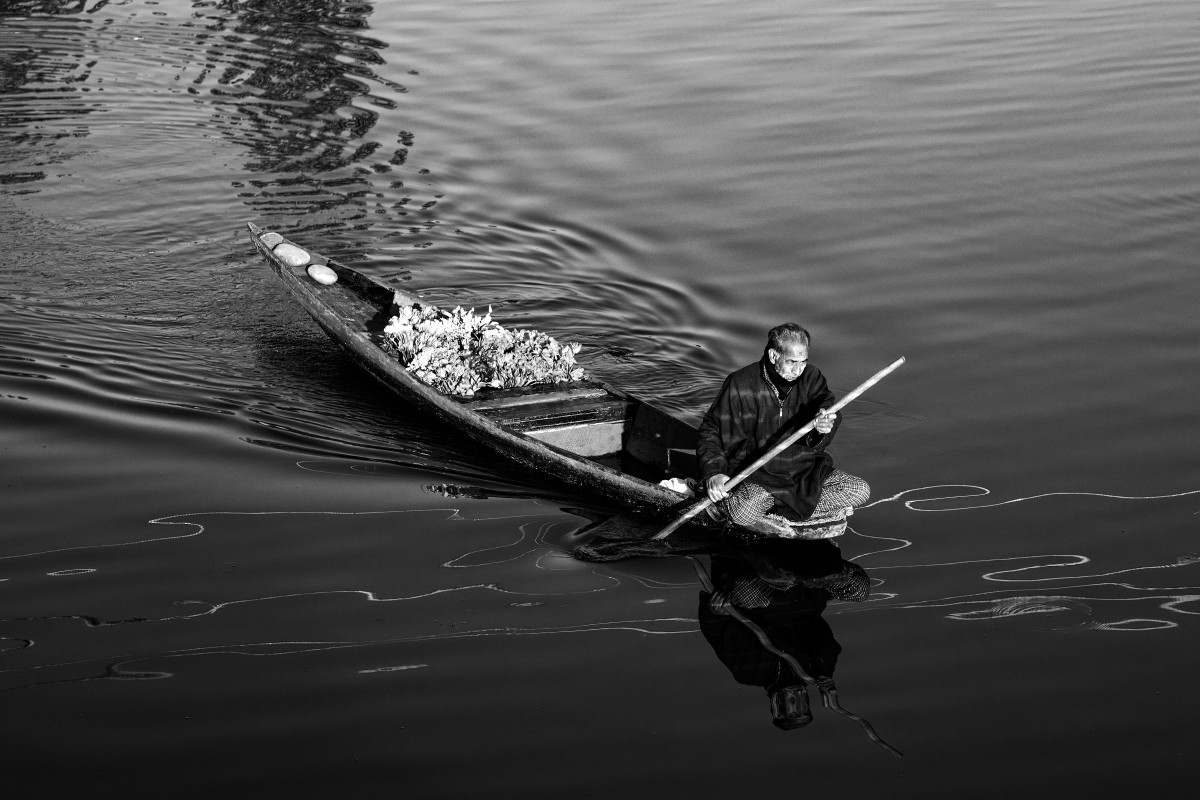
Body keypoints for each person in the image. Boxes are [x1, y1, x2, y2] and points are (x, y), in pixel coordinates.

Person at [696, 323, 870, 533]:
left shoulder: (811, 378)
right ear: (773, 356)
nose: (798, 370)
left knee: (859, 490)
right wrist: (714, 473)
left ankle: (779, 510)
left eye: (803, 362)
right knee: (742, 512)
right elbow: (711, 430)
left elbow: (828, 406)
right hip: (758, 474)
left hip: (802, 471)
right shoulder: (741, 384)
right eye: (791, 362)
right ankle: (737, 505)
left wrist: (823, 426)